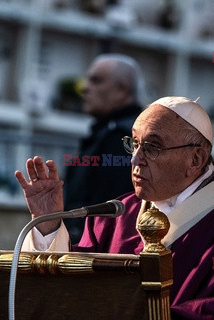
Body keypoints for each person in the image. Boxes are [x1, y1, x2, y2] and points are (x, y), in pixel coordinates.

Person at [15, 96, 214, 319]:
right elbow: (73, 289)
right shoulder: (115, 214)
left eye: (152, 147)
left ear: (195, 159)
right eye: (134, 144)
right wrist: (48, 225)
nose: (135, 159)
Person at [63, 53, 143, 243]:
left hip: (96, 257)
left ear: (122, 90)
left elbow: (112, 214)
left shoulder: (122, 139)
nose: (84, 88)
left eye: (96, 81)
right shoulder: (107, 133)